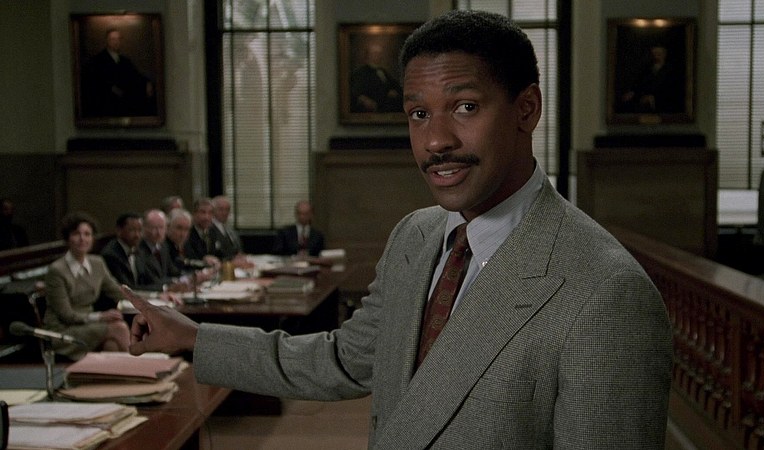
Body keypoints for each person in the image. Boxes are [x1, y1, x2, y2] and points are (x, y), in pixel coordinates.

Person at [123, 10, 673, 448]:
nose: (436, 141)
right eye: (418, 114)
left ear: (526, 109)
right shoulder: (416, 236)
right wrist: (192, 337)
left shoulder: (607, 293)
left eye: (465, 106)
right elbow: (344, 358)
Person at [43, 212, 129, 360]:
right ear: (68, 238)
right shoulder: (57, 270)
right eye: (76, 234)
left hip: (88, 326)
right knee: (119, 327)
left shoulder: (97, 263)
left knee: (112, 345)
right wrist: (100, 317)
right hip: (63, 330)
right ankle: (138, 368)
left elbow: (119, 292)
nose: (82, 239)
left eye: (87, 234)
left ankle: (113, 375)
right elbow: (67, 315)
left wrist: (155, 298)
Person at [80, 28, 156, 117]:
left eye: (118, 39)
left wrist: (147, 83)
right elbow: (97, 82)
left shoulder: (125, 61)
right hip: (106, 105)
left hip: (124, 102)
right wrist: (112, 89)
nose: (116, 42)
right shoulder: (98, 60)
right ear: (107, 41)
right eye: (113, 39)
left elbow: (136, 75)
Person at [136, 209, 189, 293]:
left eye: (161, 227)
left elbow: (173, 272)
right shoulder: (138, 249)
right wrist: (171, 285)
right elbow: (151, 280)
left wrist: (189, 279)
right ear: (144, 228)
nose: (158, 232)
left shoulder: (163, 247)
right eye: (154, 228)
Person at [619, 45, 683, 114]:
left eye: (659, 54)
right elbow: (640, 84)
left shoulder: (671, 70)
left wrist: (654, 98)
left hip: (665, 104)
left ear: (664, 55)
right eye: (654, 54)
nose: (656, 57)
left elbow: (672, 91)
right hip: (645, 102)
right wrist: (633, 92)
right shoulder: (647, 69)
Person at [350, 42, 403, 113]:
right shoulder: (361, 72)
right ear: (368, 55)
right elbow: (357, 92)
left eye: (380, 54)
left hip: (387, 107)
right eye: (375, 53)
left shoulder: (383, 71)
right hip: (372, 110)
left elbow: (394, 85)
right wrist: (365, 100)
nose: (378, 56)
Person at [100, 212, 145, 289]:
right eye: (132, 230)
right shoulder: (111, 255)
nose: (137, 235)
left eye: (140, 230)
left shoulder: (139, 250)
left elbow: (148, 280)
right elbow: (126, 287)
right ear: (119, 231)